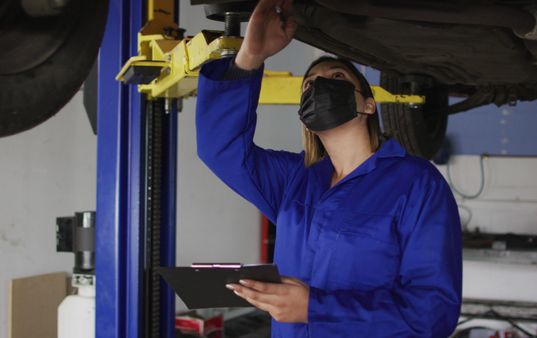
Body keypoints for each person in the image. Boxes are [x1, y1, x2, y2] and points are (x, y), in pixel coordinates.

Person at [195, 0, 462, 336]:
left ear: (368, 104)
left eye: (337, 77)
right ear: (304, 114)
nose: (320, 86)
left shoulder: (416, 183)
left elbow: (433, 312)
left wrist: (313, 308)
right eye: (309, 85)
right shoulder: (295, 179)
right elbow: (221, 151)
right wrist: (249, 57)